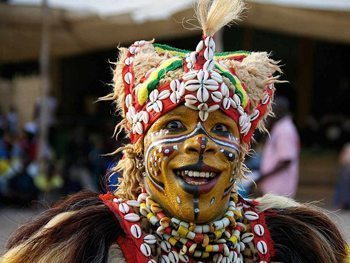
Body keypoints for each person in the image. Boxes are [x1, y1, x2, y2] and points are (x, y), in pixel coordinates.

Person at [1, 0, 347, 262]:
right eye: (174, 125)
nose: (199, 144)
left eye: (221, 129)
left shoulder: (287, 238)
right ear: (139, 146)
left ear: (241, 153)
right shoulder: (88, 240)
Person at [258, 97, 300, 197]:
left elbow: (286, 160)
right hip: (274, 186)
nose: (269, 112)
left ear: (280, 110)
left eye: (272, 109)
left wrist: (263, 176)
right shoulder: (279, 127)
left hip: (279, 186)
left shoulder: (284, 130)